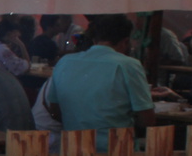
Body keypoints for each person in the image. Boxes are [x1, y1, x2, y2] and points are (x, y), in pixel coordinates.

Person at [45, 14, 155, 148]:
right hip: (115, 152)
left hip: (73, 148)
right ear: (125, 42)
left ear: (94, 39)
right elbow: (147, 120)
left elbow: (55, 111)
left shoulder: (65, 62)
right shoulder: (128, 65)